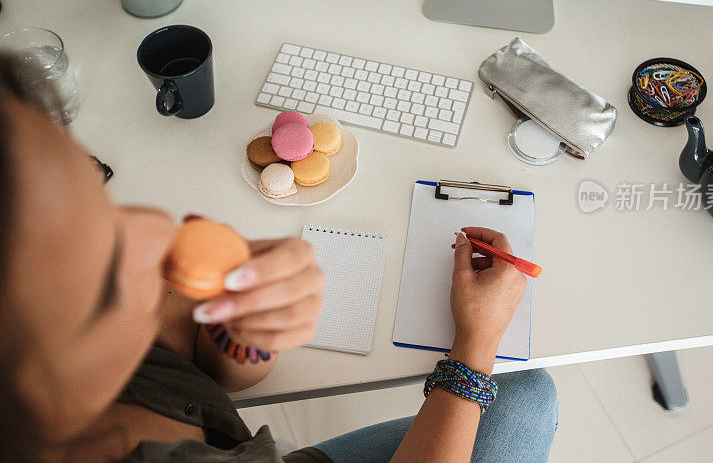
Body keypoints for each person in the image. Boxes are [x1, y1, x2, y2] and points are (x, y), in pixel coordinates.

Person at [0, 52, 557, 462]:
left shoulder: (67, 359)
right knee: (527, 395)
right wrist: (476, 342)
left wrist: (242, 331)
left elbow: (196, 365)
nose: (156, 231)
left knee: (526, 391)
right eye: (99, 259)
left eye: (98, 192)